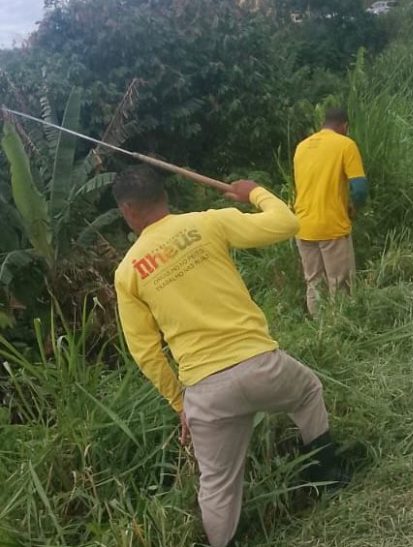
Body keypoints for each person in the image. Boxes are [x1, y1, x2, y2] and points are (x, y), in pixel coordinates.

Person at [113, 166, 346, 547]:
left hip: (205, 391)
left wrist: (180, 404)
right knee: (307, 393)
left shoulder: (127, 274)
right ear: (164, 196)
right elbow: (286, 223)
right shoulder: (208, 223)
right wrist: (255, 191)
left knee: (217, 486)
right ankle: (328, 478)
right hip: (260, 365)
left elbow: (146, 353)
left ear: (127, 211)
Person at [293, 107, 368, 317]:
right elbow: (360, 188)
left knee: (314, 283)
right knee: (340, 285)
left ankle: (320, 331)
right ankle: (342, 328)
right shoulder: (345, 144)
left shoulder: (301, 147)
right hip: (332, 226)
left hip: (302, 225)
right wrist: (354, 207)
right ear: (344, 126)